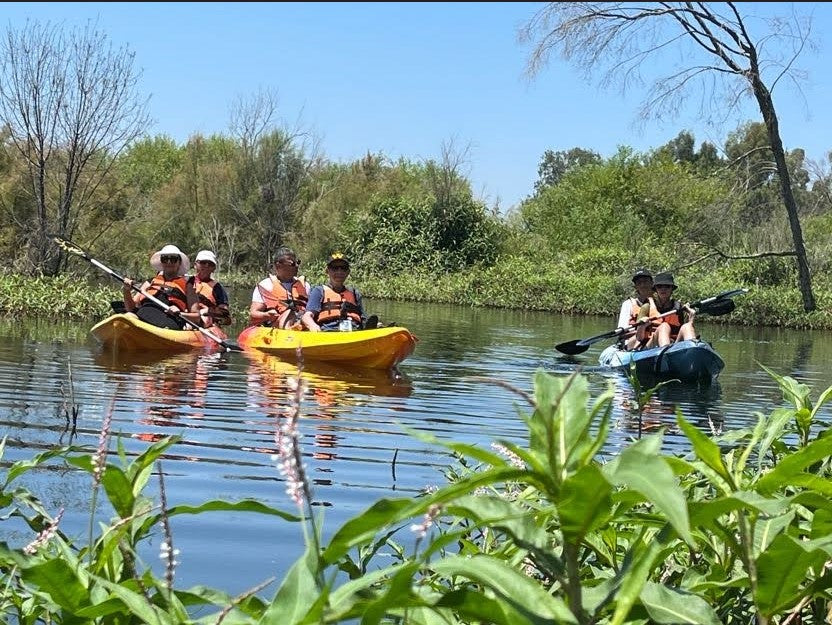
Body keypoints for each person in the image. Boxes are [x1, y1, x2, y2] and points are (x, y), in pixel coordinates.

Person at [122, 244, 200, 330]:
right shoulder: (150, 282)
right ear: (161, 262)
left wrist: (180, 313)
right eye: (165, 259)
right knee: (128, 316)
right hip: (142, 318)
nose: (169, 262)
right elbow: (130, 308)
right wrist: (126, 291)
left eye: (173, 259)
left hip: (167, 324)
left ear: (179, 263)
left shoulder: (188, 285)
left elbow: (196, 317)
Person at [301, 252, 366, 332]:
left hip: (354, 332)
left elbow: (363, 318)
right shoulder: (319, 291)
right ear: (327, 271)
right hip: (329, 332)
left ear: (348, 272)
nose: (339, 271)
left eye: (343, 268)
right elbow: (307, 316)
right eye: (334, 268)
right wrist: (312, 325)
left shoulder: (355, 294)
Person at [249, 247, 309, 329]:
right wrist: (267, 315)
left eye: (298, 262)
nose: (296, 266)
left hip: (301, 322)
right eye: (292, 264)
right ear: (278, 266)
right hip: (275, 326)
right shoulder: (266, 285)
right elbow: (253, 313)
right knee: (289, 313)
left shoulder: (305, 285)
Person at [642, 272, 698, 348]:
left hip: (674, 346)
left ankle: (693, 349)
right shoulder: (647, 306)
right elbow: (639, 337)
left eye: (667, 286)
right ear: (655, 289)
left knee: (687, 326)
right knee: (664, 326)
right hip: (651, 347)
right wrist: (643, 325)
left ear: (672, 289)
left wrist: (691, 319)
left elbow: (685, 330)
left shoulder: (680, 308)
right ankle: (665, 352)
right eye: (659, 286)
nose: (663, 289)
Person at [188, 250, 232, 328]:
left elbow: (224, 313)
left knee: (205, 320)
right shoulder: (187, 282)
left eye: (210, 264)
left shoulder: (217, 288)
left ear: (214, 268)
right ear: (195, 265)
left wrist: (208, 311)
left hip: (207, 321)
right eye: (203, 262)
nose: (206, 266)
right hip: (188, 317)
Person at [617, 268, 655, 351]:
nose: (643, 285)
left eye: (645, 281)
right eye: (639, 283)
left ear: (652, 283)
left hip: (654, 340)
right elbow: (622, 334)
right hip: (634, 342)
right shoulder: (628, 304)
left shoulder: (659, 303)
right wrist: (643, 329)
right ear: (635, 287)